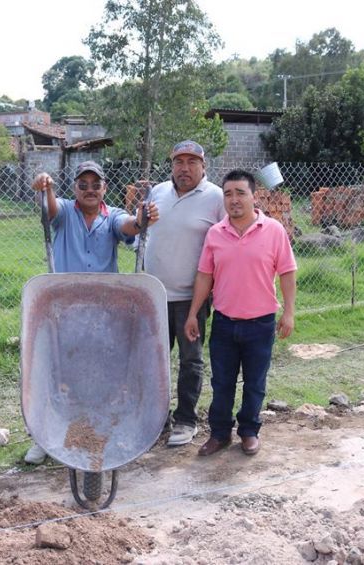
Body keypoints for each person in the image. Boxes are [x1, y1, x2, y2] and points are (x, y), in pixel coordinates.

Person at [24, 160, 159, 463]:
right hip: (63, 309)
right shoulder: (64, 212)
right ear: (74, 188)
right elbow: (50, 209)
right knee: (55, 370)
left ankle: (101, 428)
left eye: (95, 184)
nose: (89, 190)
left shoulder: (112, 217)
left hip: (103, 314)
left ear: (104, 188)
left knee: (100, 372)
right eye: (82, 185)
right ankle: (44, 437)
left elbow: (130, 226)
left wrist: (141, 219)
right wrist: (45, 185)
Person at [184, 169, 296, 457]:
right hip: (224, 323)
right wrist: (193, 313)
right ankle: (219, 434)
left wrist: (289, 313)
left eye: (240, 193)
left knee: (255, 383)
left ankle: (249, 432)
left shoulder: (273, 231)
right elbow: (204, 276)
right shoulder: (215, 234)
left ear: (254, 196)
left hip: (260, 324)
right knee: (221, 383)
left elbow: (287, 272)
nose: (234, 199)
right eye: (228, 194)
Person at [144, 140, 225, 446]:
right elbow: (145, 231)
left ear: (203, 166)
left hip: (192, 298)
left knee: (190, 360)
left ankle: (186, 420)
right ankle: (156, 419)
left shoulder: (216, 197)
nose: (185, 168)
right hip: (154, 296)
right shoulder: (159, 192)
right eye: (179, 162)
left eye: (192, 162)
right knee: (154, 360)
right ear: (172, 165)